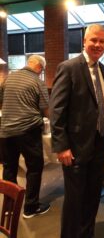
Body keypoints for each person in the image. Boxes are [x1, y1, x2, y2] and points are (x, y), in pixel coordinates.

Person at [50, 24, 104, 238]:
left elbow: (99, 102)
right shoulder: (69, 67)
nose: (97, 45)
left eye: (102, 41)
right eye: (93, 40)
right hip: (75, 148)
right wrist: (62, 146)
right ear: (84, 41)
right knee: (74, 200)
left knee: (92, 197)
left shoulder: (103, 70)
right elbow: (56, 109)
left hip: (99, 145)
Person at [0, 55, 50, 219]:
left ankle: (9, 207)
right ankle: (31, 207)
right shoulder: (37, 82)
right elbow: (46, 110)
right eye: (42, 69)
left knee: (9, 168)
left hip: (6, 132)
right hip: (28, 131)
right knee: (35, 167)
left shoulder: (8, 79)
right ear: (40, 67)